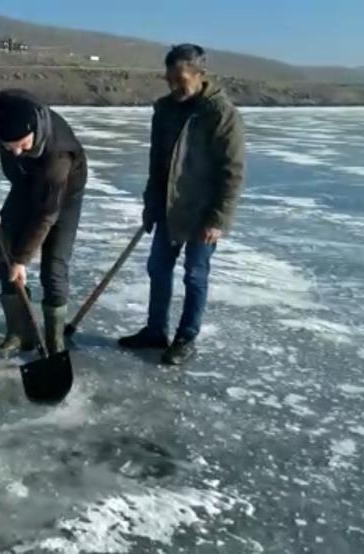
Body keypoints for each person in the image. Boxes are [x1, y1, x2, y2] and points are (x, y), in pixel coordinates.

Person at [118, 44, 246, 366]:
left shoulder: (220, 113)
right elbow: (156, 163)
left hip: (203, 210)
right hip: (167, 206)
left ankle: (186, 337)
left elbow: (232, 171)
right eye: (169, 79)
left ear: (200, 75)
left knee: (195, 275)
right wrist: (150, 204)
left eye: (180, 79)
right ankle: (155, 331)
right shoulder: (164, 109)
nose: (173, 86)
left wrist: (218, 219)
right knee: (158, 268)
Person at [0, 89, 88, 358]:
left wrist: (22, 260)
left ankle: (55, 344)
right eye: (10, 147)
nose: (17, 152)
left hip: (62, 196)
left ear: (35, 129)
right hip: (24, 185)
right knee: (4, 258)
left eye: (22, 144)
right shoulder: (8, 105)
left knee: (53, 268)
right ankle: (21, 334)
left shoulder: (59, 156)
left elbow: (46, 215)